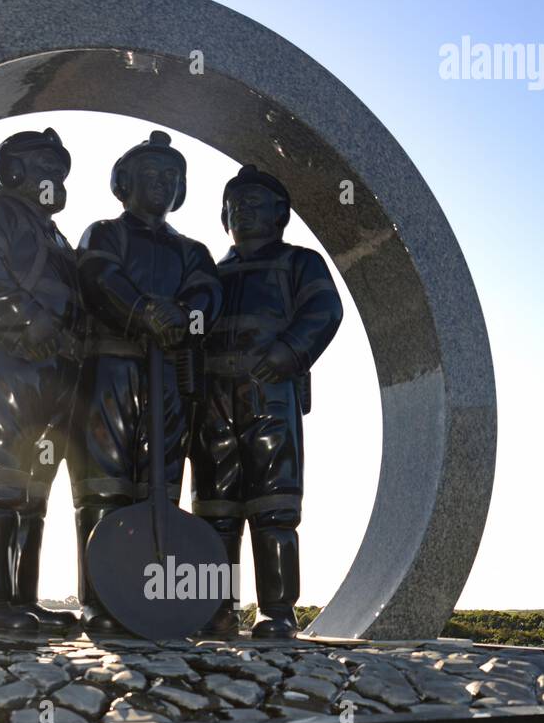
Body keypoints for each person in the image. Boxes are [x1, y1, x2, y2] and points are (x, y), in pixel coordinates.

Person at [72, 130, 222, 634]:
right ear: (125, 181)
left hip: (170, 377)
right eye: (150, 174)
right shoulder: (103, 232)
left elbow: (207, 299)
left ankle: (150, 595)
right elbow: (97, 279)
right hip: (110, 370)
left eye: (170, 176)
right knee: (103, 485)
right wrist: (140, 312)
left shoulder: (194, 251)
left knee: (159, 485)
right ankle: (98, 599)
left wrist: (183, 316)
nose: (161, 183)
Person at [191, 165, 343, 639]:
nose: (244, 212)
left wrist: (288, 353)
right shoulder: (209, 274)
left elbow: (324, 311)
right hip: (213, 397)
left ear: (280, 214)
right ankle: (215, 609)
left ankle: (277, 610)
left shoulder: (301, 263)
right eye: (236, 205)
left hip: (269, 393)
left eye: (256, 203)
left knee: (274, 505)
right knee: (215, 509)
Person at [0, 127, 84, 635]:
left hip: (57, 374)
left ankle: (21, 602)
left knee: (33, 494)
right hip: (6, 361)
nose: (53, 177)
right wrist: (29, 321)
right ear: (11, 171)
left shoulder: (59, 239)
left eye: (59, 168)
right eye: (42, 165)